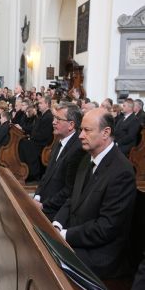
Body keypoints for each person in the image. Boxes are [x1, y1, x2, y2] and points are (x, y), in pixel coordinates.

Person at [53, 108, 137, 279]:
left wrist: (65, 235)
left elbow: (106, 227)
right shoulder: (86, 159)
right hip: (79, 238)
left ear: (106, 133)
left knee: (48, 261)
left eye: (87, 130)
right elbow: (72, 199)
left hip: (99, 253)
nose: (80, 135)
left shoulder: (122, 172)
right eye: (81, 130)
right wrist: (57, 224)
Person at [33, 103, 85, 220]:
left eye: (58, 119)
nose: (53, 122)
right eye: (54, 118)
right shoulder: (59, 140)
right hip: (44, 202)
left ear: (71, 125)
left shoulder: (78, 149)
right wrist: (37, 196)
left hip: (56, 211)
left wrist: (43, 205)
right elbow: (47, 175)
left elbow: (69, 190)